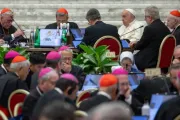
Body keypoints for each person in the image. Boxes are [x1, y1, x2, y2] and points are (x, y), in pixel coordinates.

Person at [133, 6, 170, 71]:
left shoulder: (149, 28)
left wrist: (133, 45)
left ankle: (131, 80)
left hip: (149, 63)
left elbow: (140, 46)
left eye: (145, 17)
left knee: (127, 58)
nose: (145, 19)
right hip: (163, 65)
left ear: (150, 17)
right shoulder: (166, 28)